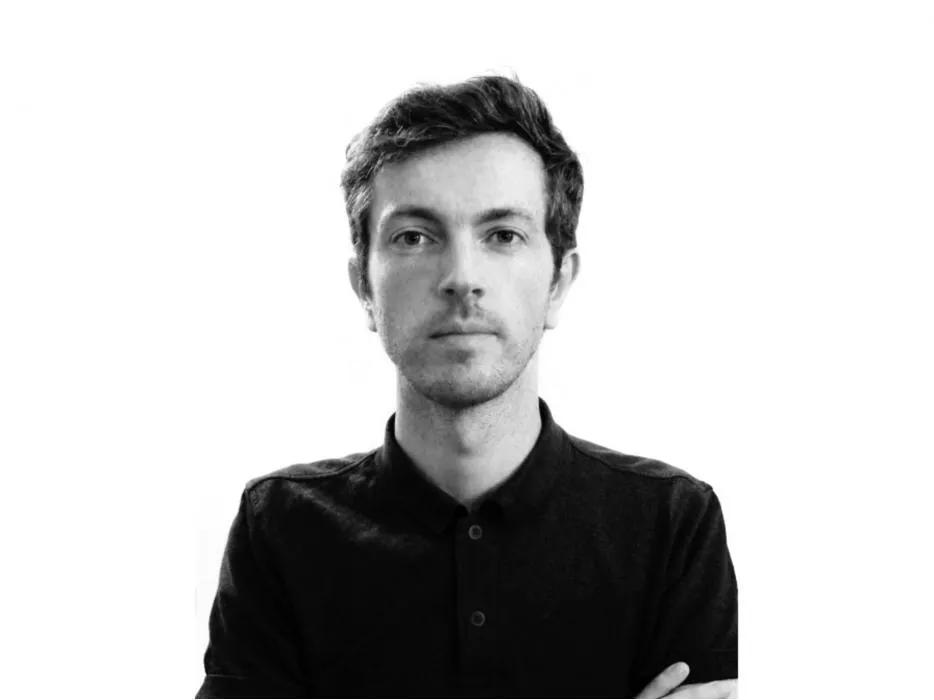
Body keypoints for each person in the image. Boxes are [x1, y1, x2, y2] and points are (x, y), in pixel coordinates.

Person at [196, 75, 738, 699]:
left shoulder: (672, 525)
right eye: (414, 237)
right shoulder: (281, 529)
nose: (461, 277)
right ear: (364, 287)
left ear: (558, 283)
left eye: (502, 235)